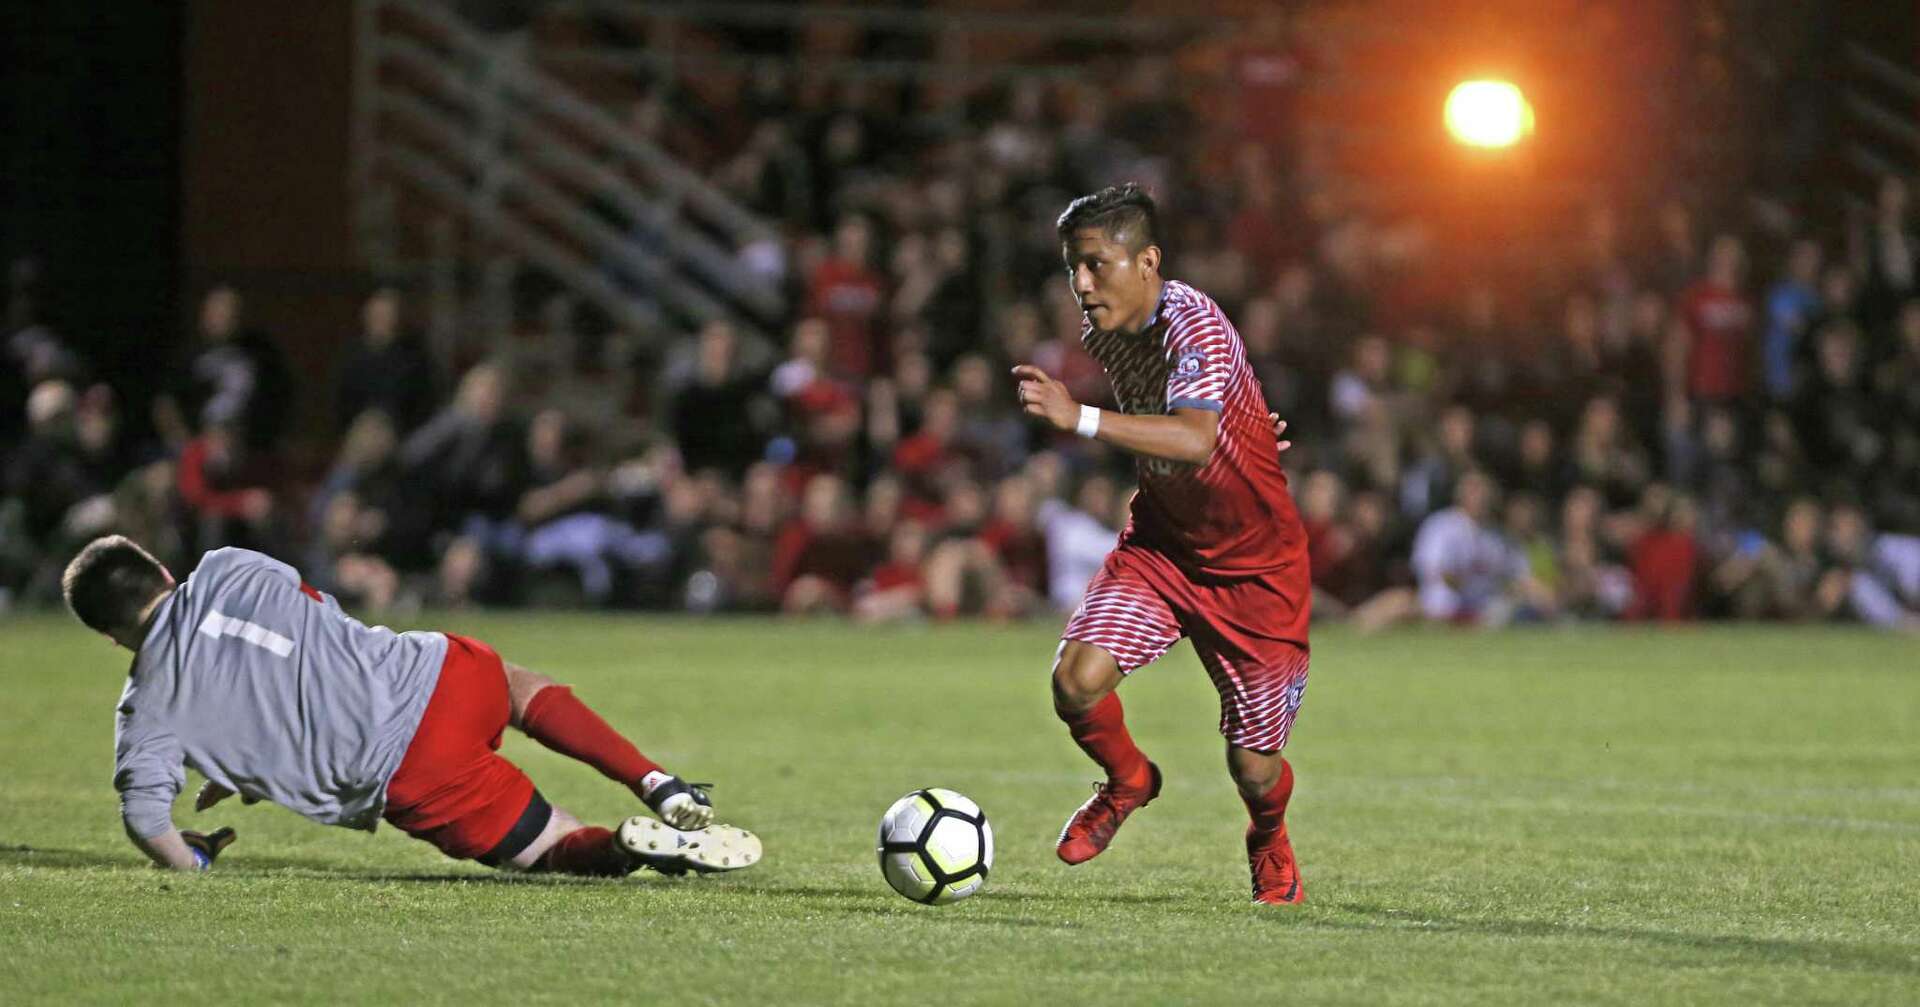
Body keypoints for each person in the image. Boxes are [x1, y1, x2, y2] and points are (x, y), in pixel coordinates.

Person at [63, 535, 760, 877]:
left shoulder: (147, 707)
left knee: (551, 849)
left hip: (411, 773)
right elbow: (294, 636)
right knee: (516, 687)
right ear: (160, 569)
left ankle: (624, 844)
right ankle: (653, 779)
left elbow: (146, 818)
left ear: (105, 632)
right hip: (433, 676)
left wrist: (192, 858)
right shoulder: (225, 565)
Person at [1012, 184, 1310, 905]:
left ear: (1147, 261)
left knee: (1254, 766)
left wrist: (1079, 416)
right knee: (1075, 681)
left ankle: (1268, 834)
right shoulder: (1106, 331)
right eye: (1071, 269)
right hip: (1166, 546)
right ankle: (1129, 780)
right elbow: (1202, 415)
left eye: (1094, 265)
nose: (1081, 285)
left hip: (1255, 568)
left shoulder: (1193, 322)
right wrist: (1249, 423)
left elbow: (1194, 436)